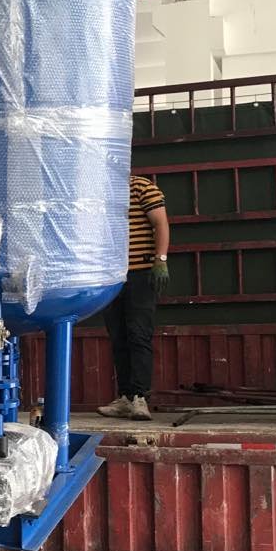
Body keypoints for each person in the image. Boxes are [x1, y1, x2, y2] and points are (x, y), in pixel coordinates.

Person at [99, 174, 171, 420]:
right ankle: (126, 397)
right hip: (112, 275)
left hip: (140, 273)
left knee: (138, 334)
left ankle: (140, 397)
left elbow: (160, 223)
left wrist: (160, 259)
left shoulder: (141, 187)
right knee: (118, 336)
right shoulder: (102, 194)